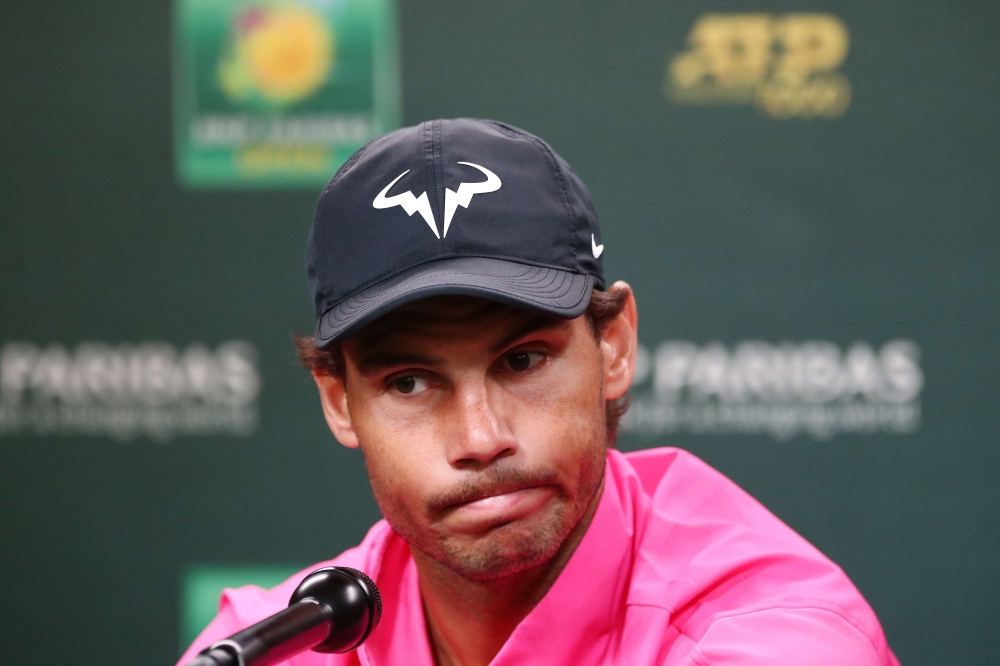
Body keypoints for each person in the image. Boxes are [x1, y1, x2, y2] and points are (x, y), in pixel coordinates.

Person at [178, 119, 900, 666]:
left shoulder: (770, 637)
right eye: (410, 381)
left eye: (522, 361)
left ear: (612, 347)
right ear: (338, 400)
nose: (479, 437)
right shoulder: (275, 645)